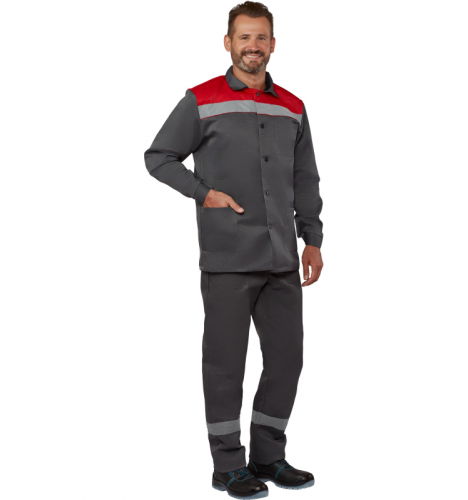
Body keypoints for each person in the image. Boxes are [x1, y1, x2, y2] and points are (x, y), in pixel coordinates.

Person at [144, 2, 323, 497]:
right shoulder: (201, 100)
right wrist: (203, 193)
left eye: (261, 37)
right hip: (228, 256)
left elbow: (305, 177)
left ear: (273, 44)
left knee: (287, 360)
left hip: (282, 258)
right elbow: (158, 157)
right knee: (225, 366)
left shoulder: (293, 106)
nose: (253, 46)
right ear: (228, 43)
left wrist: (312, 238)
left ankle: (269, 456)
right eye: (244, 37)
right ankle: (227, 466)